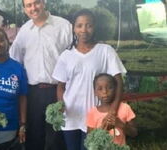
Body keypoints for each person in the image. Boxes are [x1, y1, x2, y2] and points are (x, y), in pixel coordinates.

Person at [52, 9, 126, 150]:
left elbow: (118, 81)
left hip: (97, 118)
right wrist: (61, 104)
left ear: (94, 27)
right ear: (73, 28)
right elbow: (60, 86)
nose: (84, 30)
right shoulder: (66, 55)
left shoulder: (105, 51)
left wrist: (112, 112)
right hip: (71, 117)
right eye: (79, 25)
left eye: (89, 25)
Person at [9, 0, 72, 149]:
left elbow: (74, 55)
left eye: (36, 3)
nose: (33, 8)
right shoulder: (24, 31)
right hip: (33, 94)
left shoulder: (63, 26)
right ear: (24, 9)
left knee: (56, 138)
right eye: (28, 5)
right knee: (34, 138)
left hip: (58, 91)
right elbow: (14, 60)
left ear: (43, 3)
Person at [87, 73, 137, 145]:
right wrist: (102, 128)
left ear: (116, 90)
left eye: (109, 87)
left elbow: (134, 133)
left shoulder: (125, 108)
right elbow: (90, 139)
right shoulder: (93, 112)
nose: (105, 92)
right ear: (95, 92)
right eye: (100, 89)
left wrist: (120, 124)